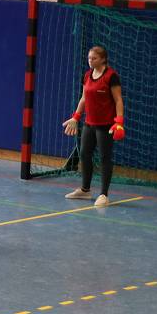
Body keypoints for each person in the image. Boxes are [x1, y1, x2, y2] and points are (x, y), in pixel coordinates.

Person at [62, 45, 125, 207]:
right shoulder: (87, 75)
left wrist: (119, 122)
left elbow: (118, 100)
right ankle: (85, 190)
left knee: (104, 158)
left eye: (94, 58)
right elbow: (84, 98)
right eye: (89, 58)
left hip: (106, 125)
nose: (90, 61)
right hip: (89, 124)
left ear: (103, 59)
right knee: (84, 154)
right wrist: (76, 117)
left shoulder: (111, 76)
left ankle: (104, 194)